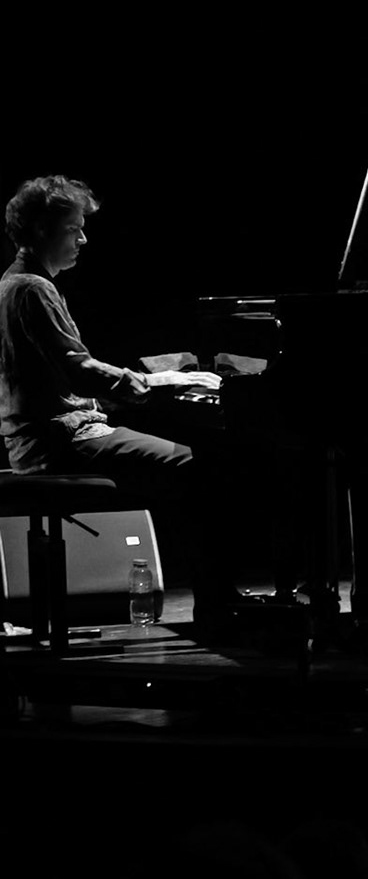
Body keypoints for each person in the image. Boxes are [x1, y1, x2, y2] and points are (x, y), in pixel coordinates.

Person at [0, 175, 241, 626]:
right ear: (40, 231)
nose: (83, 239)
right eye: (74, 229)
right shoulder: (32, 288)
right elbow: (79, 369)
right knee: (193, 464)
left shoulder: (14, 284)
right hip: (58, 440)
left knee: (183, 464)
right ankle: (218, 603)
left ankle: (216, 595)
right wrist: (162, 381)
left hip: (44, 435)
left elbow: (60, 376)